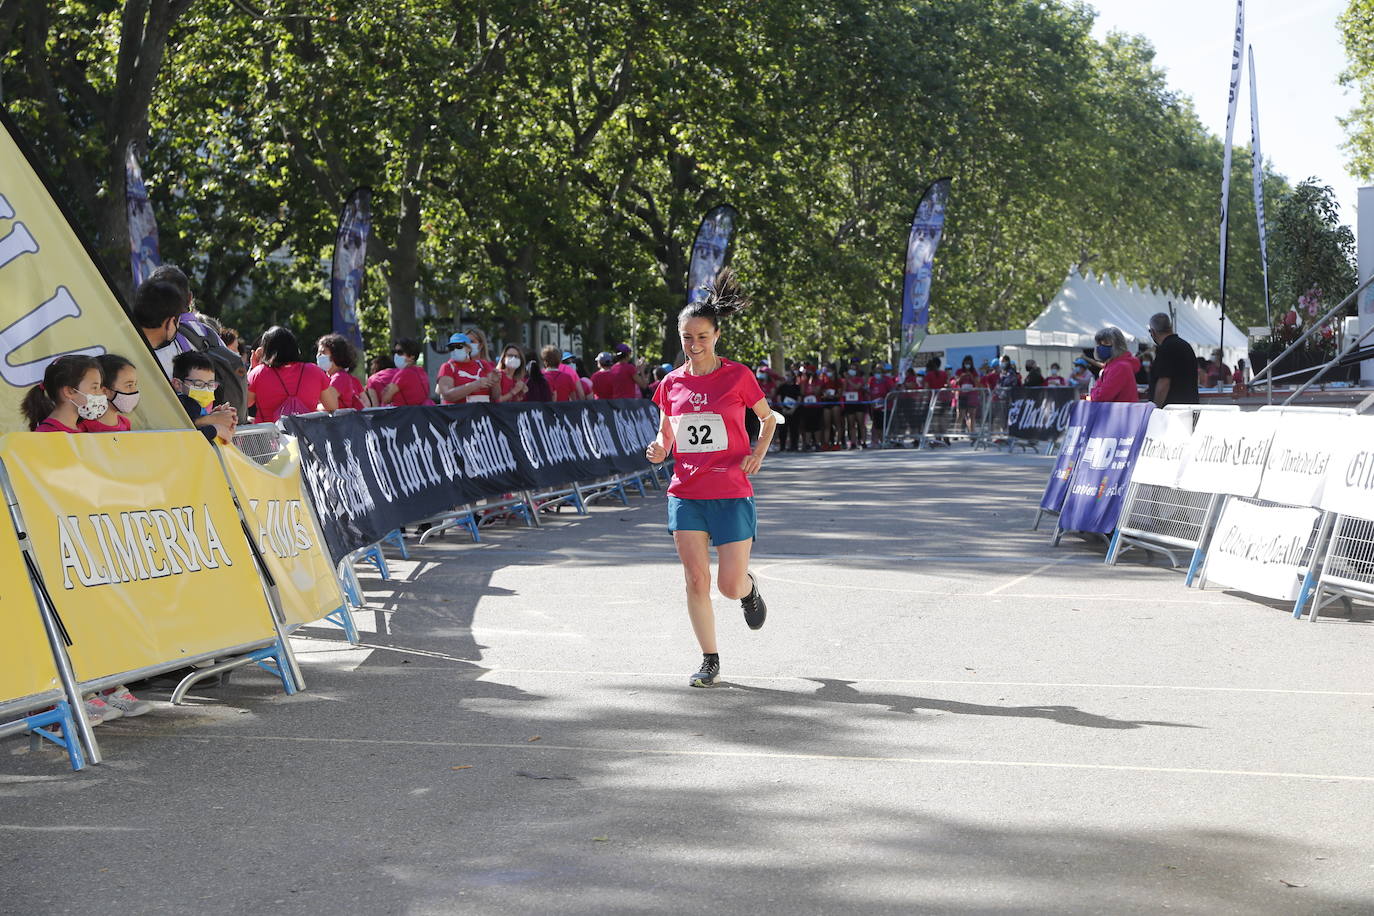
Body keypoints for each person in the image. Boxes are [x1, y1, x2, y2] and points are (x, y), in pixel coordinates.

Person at [645, 268, 776, 688]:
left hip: (731, 491)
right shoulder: (670, 383)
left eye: (702, 337)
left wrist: (757, 452)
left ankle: (749, 589)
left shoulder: (737, 376)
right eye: (687, 337)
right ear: (680, 337)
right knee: (696, 579)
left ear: (716, 335)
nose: (694, 345)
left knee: (729, 583)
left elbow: (768, 418)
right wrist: (660, 448)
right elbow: (667, 430)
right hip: (686, 492)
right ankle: (709, 658)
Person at [248, 326, 338, 421]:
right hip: (306, 433)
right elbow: (332, 406)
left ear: (267, 349)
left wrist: (252, 368)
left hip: (269, 434)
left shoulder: (258, 373)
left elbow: (245, 402)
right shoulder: (315, 371)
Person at [21, 354, 105, 433]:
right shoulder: (47, 434)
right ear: (69, 391)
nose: (101, 393)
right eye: (94, 387)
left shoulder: (81, 430)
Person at [173, 351, 238, 441]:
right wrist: (217, 429)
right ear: (178, 384)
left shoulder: (195, 405)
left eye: (210, 385)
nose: (206, 390)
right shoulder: (186, 402)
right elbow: (190, 433)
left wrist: (214, 415)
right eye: (199, 384)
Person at [1146, 313, 1199, 407]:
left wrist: (1155, 409)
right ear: (1170, 327)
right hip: (1189, 406)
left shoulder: (1166, 349)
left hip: (1172, 409)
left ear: (1153, 332)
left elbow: (1163, 383)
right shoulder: (1185, 346)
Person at [82, 354, 140, 432]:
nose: (135, 391)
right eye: (129, 385)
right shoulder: (83, 427)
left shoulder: (126, 424)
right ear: (105, 391)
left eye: (135, 384)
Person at [436, 332, 497, 404]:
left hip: (481, 413)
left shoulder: (482, 364)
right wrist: (476, 384)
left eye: (459, 346)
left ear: (469, 348)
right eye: (451, 347)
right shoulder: (447, 367)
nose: (455, 350)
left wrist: (496, 383)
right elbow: (448, 395)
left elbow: (495, 396)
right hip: (458, 413)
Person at [1087, 327, 1140, 403]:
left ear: (1118, 345)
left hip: (1120, 413)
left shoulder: (1120, 367)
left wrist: (1093, 391)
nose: (1100, 347)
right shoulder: (1112, 365)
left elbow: (1101, 397)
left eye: (1106, 343)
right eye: (1099, 343)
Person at [316, 334, 365, 411]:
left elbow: (329, 406)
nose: (318, 356)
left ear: (335, 354)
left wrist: (314, 407)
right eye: (318, 352)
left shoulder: (340, 377)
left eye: (323, 352)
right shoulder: (329, 377)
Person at [383, 338, 434, 406]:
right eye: (394, 352)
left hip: (405, 414)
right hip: (421, 413)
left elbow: (385, 398)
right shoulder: (421, 371)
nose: (396, 355)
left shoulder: (403, 374)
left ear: (412, 356)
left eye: (400, 352)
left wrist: (386, 390)